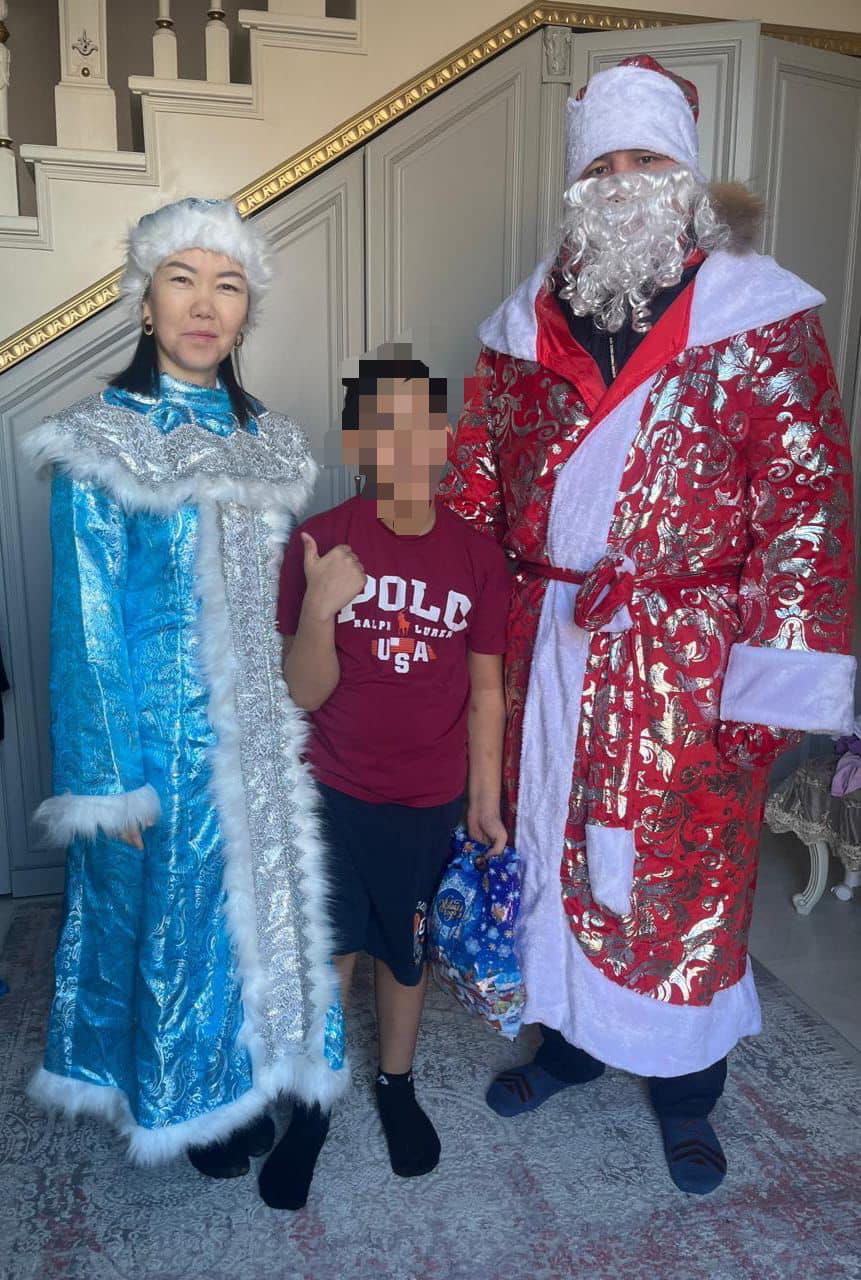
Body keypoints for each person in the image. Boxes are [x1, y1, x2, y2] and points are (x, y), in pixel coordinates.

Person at [440, 55, 856, 1195]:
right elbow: (474, 495)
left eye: (648, 160)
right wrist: (461, 656)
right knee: (545, 844)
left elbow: (806, 506)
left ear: (687, 176)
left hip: (687, 659)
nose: (624, 181)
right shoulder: (521, 330)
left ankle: (686, 1088)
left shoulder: (760, 320)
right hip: (541, 643)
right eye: (604, 164)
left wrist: (770, 687)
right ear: (577, 185)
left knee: (681, 877)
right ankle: (571, 1041)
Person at [24, 197, 346, 1177]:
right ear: (145, 301)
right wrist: (108, 782)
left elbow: (273, 603)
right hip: (157, 746)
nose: (205, 305)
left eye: (228, 285)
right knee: (170, 931)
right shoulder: (100, 441)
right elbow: (85, 629)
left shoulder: (267, 438)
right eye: (182, 279)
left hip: (260, 736)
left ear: (246, 312)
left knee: (259, 922)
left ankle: (253, 1078)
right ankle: (192, 1104)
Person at [259, 351, 511, 1210]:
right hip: (332, 793)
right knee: (330, 953)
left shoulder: (477, 557)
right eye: (384, 426)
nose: (405, 443)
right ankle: (314, 1105)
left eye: (421, 424)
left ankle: (396, 1086)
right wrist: (319, 604)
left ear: (445, 437)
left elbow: (485, 689)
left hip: (430, 800)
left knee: (405, 955)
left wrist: (484, 799)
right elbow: (303, 692)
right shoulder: (321, 542)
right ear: (356, 443)